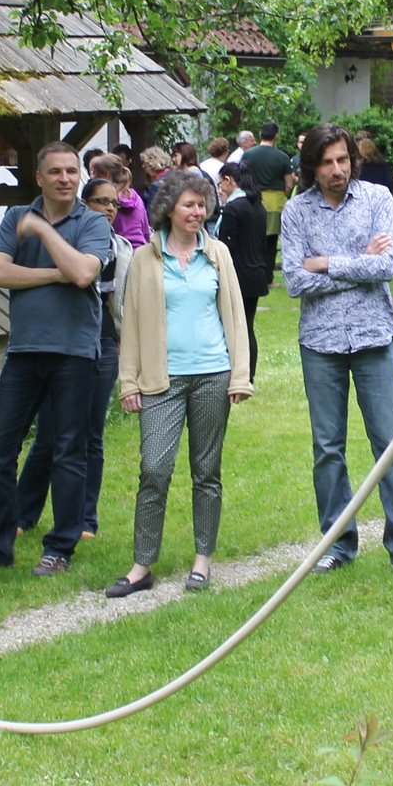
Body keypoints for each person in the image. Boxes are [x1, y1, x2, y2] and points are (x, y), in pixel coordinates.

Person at [281, 123, 393, 578]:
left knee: (390, 443)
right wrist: (358, 262)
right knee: (328, 448)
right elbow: (294, 280)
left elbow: (385, 267)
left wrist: (326, 262)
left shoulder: (377, 198)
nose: (337, 169)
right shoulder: (296, 211)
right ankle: (337, 544)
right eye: (327, 162)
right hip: (320, 341)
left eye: (343, 159)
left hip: (373, 336)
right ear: (312, 167)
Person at [0, 141, 108, 577]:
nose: (65, 179)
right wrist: (56, 272)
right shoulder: (17, 216)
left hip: (74, 352)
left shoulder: (92, 221)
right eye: (55, 171)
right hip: (23, 352)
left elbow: (84, 273)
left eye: (72, 171)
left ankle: (60, 548)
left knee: (68, 453)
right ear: (39, 178)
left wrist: (43, 233)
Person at [107, 170, 253, 597]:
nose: (197, 212)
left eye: (202, 205)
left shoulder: (218, 254)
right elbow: (131, 323)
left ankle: (202, 561)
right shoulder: (144, 258)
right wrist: (128, 381)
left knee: (207, 472)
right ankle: (141, 566)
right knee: (154, 469)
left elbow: (236, 317)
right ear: (169, 209)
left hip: (213, 374)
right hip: (161, 379)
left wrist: (240, 375)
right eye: (189, 205)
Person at [15, 177, 130, 540]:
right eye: (101, 202)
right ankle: (23, 514)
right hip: (65, 342)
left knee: (91, 434)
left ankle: (84, 519)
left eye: (114, 203)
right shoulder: (67, 242)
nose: (109, 209)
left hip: (103, 343)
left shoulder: (122, 248)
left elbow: (120, 302)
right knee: (50, 433)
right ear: (84, 204)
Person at [215, 161, 270, 380]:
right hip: (256, 273)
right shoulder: (257, 205)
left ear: (228, 180)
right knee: (247, 326)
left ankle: (240, 373)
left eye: (220, 183)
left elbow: (226, 247)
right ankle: (248, 374)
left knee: (236, 327)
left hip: (238, 275)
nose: (220, 189)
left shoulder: (233, 208)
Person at [243, 122, 296, 275]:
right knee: (271, 241)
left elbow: (242, 177)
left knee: (254, 239)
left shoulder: (248, 154)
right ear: (276, 136)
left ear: (260, 134)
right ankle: (268, 277)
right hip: (275, 201)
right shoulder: (282, 157)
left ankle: (253, 272)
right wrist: (284, 196)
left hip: (253, 199)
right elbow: (289, 184)